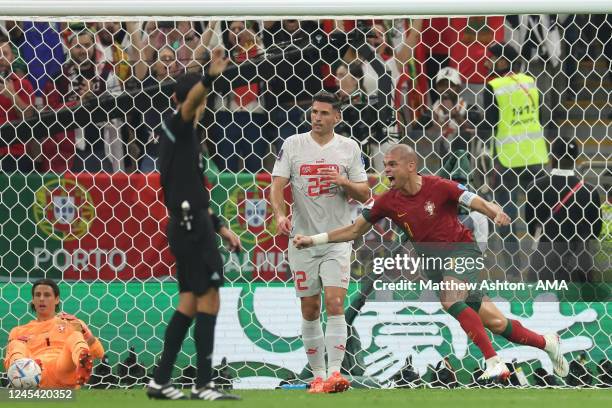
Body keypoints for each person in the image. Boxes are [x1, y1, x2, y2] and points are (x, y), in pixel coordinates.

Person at [293, 144, 569, 382]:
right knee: (497, 323)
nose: (386, 170)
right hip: (435, 267)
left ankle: (493, 361)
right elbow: (354, 230)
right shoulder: (388, 201)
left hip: (463, 253)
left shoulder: (439, 186)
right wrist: (314, 240)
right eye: (384, 165)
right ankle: (548, 343)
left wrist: (494, 211)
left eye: (392, 164)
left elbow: (473, 200)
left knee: (450, 300)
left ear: (411, 166)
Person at [145, 48, 242, 401]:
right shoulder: (176, 125)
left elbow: (191, 191)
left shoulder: (189, 141)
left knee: (189, 302)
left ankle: (160, 380)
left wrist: (220, 226)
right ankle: (203, 384)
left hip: (193, 223)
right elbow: (189, 106)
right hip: (189, 226)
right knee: (209, 298)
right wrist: (211, 77)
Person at [270, 91, 370, 393]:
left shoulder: (349, 148)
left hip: (337, 239)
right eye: (314, 112)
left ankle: (335, 375)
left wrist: (344, 183)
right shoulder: (293, 145)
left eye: (324, 113)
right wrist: (279, 214)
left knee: (336, 303)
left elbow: (365, 194)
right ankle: (317, 376)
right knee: (310, 309)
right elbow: (277, 185)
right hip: (302, 240)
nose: (317, 118)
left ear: (336, 117)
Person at [481, 42, 549, 276]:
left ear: (502, 61)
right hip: (535, 156)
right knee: (541, 213)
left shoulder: (494, 87)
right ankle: (543, 264)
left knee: (506, 212)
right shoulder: (530, 82)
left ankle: (512, 269)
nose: (487, 61)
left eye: (491, 57)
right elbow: (542, 116)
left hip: (507, 160)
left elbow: (489, 124)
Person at [525, 137, 602, 282]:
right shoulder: (590, 191)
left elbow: (531, 227)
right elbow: (595, 231)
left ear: (552, 156)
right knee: (579, 304)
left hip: (545, 262)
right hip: (579, 265)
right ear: (576, 158)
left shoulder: (534, 187)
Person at [4, 278, 104, 388]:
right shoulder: (19, 331)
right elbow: (7, 364)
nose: (42, 299)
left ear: (57, 299)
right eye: (37, 295)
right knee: (16, 344)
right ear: (33, 299)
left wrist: (86, 334)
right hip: (34, 372)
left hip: (63, 368)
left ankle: (81, 359)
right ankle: (23, 373)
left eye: (47, 295)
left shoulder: (72, 323)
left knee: (75, 336)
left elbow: (99, 354)